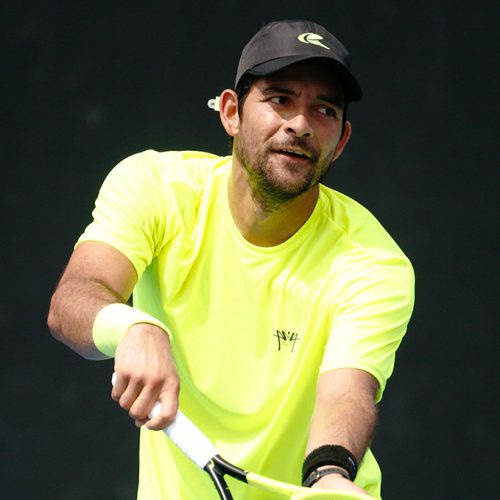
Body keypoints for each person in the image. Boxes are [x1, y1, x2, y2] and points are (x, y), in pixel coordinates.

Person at [48, 19, 414, 499]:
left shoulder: (373, 262)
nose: (301, 124)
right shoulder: (156, 188)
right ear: (231, 113)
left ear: (340, 141)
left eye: (324, 109)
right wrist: (132, 327)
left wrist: (329, 474)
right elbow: (74, 298)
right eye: (280, 99)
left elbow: (347, 389)